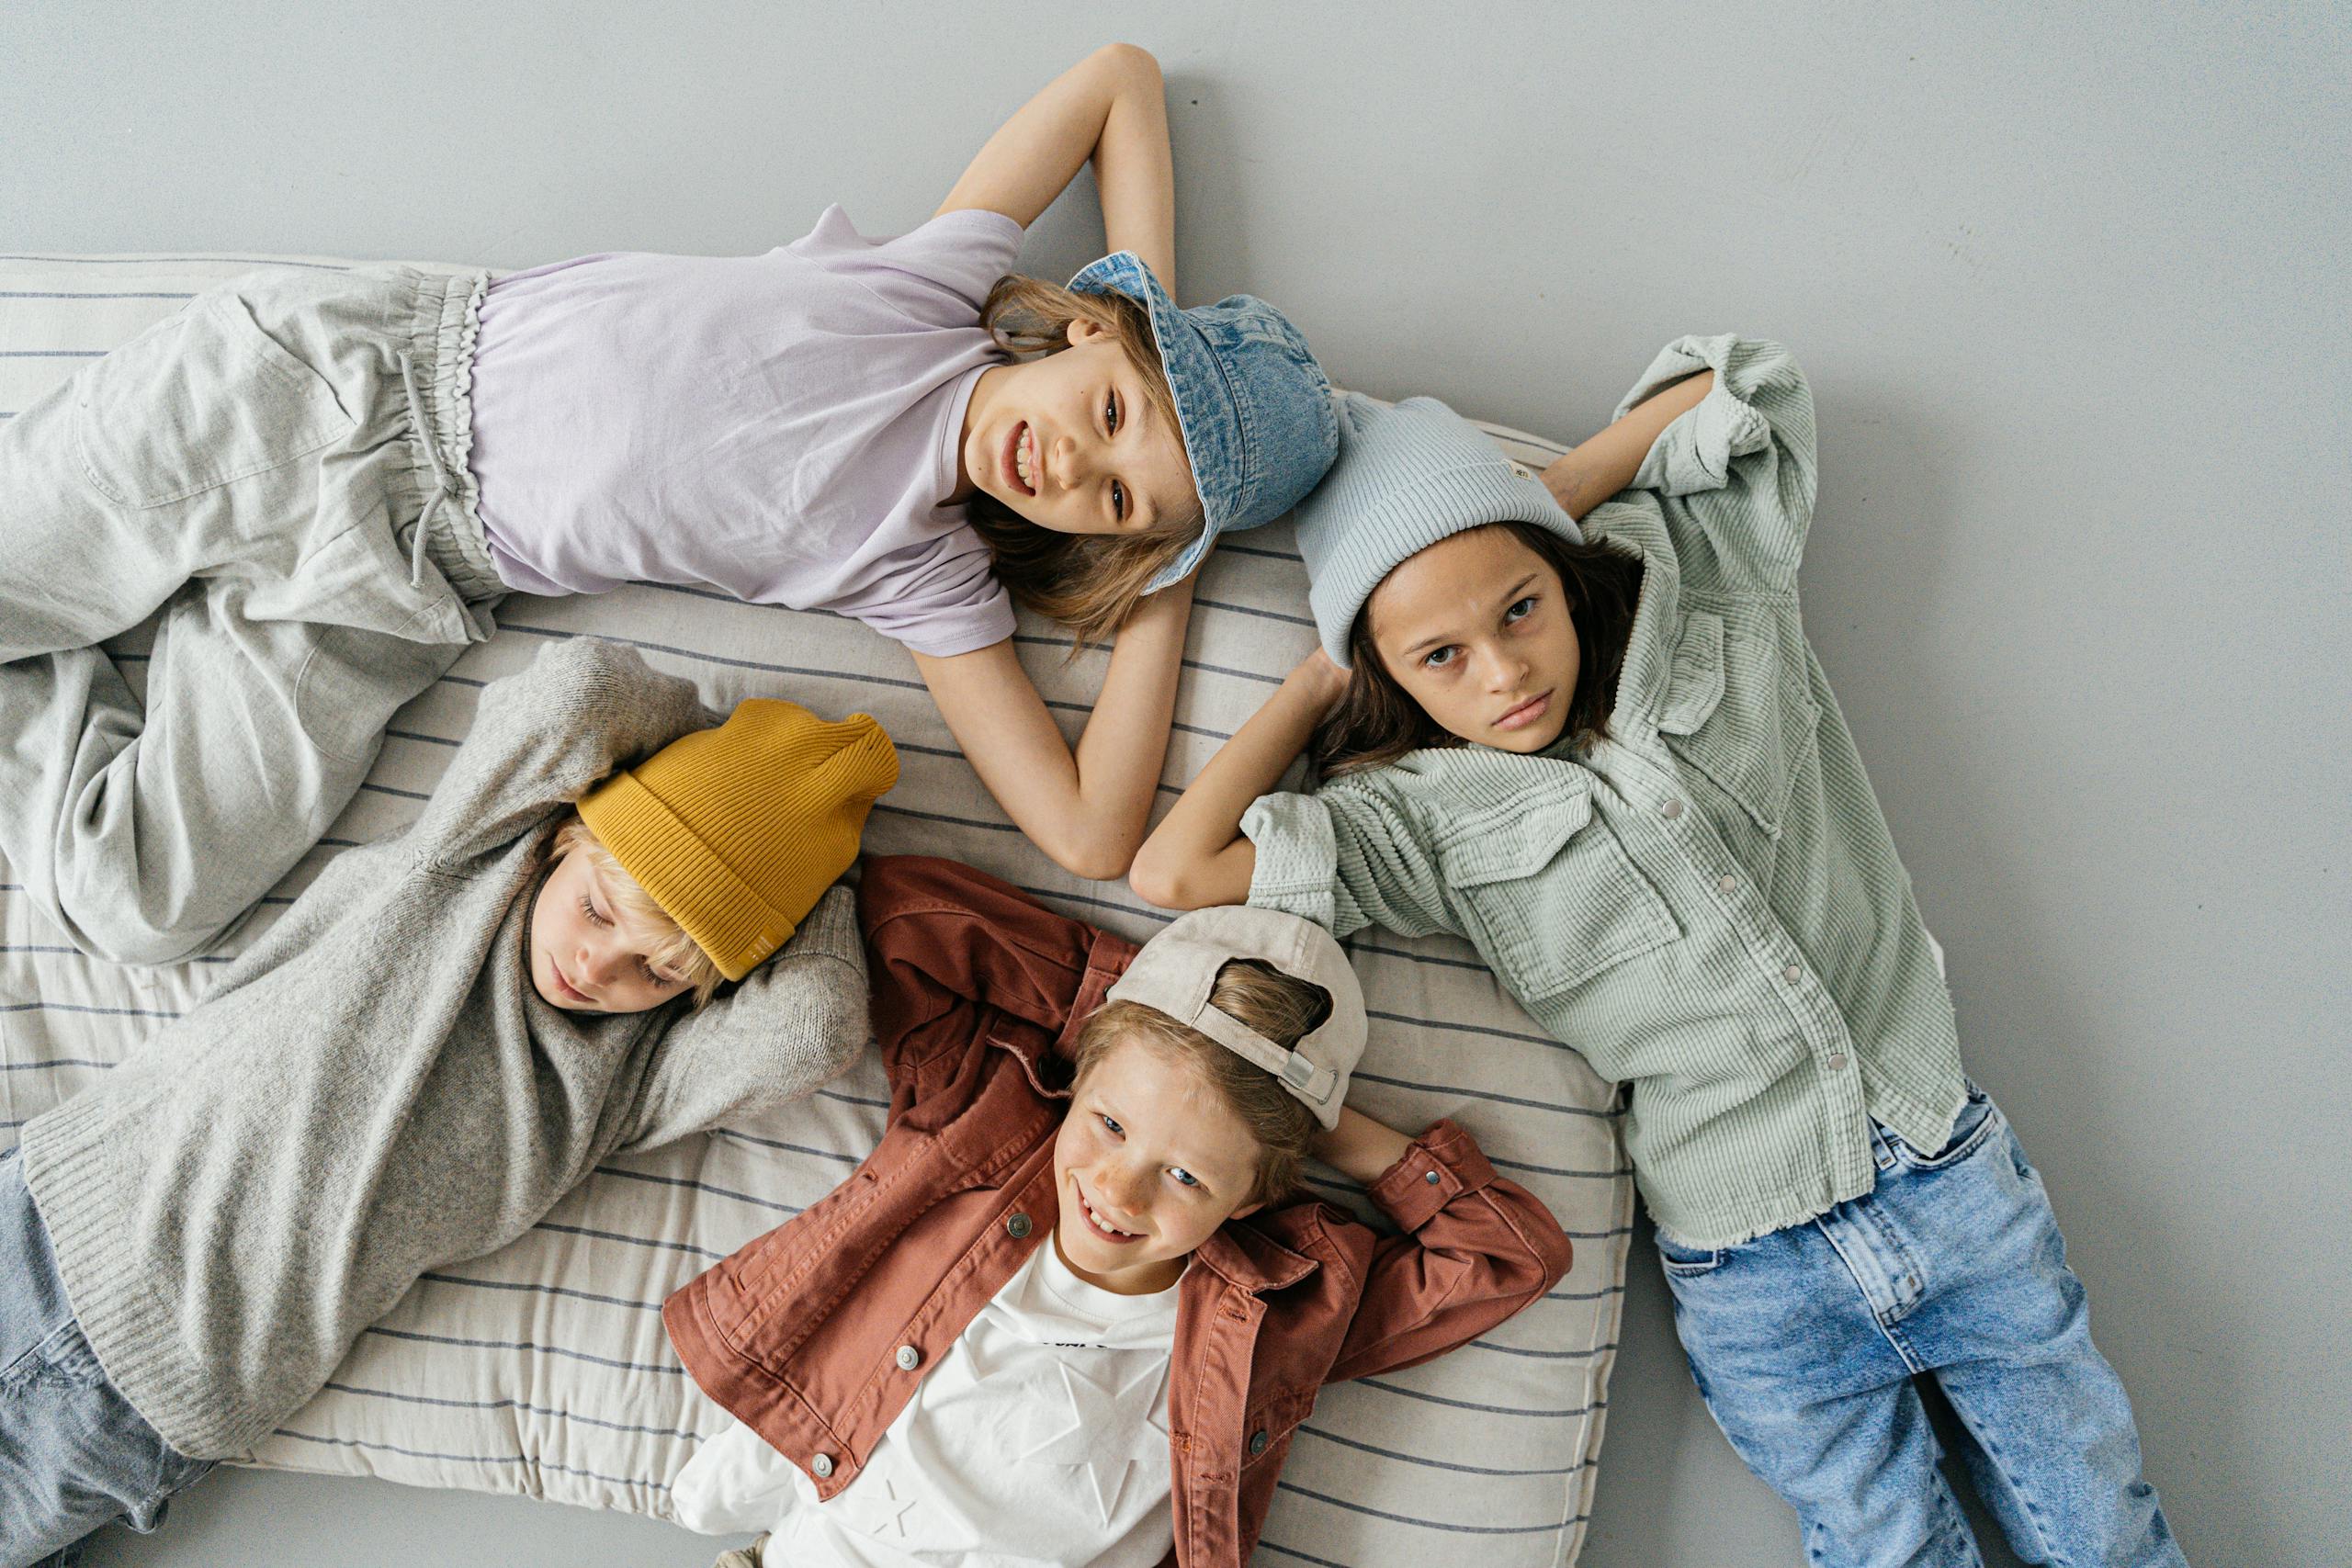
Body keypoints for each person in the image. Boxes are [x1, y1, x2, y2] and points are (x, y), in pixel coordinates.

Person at [1128, 342, 2188, 1566]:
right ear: (1392, 676)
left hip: (1942, 1166)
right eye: (1440, 656)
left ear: (1560, 574)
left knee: (2104, 1522)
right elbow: (1173, 870)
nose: (1505, 670)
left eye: (1519, 608)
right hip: (1749, 1266)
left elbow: (1748, 386)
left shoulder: (1707, 592)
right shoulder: (1417, 821)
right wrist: (1323, 676)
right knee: (1887, 1545)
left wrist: (1534, 505)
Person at [0, 42, 1335, 966]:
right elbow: (1120, 81)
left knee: (138, 901)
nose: (1075, 467)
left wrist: (1176, 556)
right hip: (343, 393)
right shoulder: (933, 286)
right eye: (1113, 414)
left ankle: (107, 621)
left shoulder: (924, 571)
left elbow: (1090, 831)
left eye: (1116, 500)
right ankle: (87, 594)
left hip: (398, 585)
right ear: (1090, 330)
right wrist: (1159, 350)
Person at [0, 636, 892, 1568]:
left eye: (656, 971)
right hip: (61, 1201)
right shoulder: (464, 870)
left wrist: (804, 875)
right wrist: (693, 785)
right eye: (596, 910)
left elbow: (813, 1028)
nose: (598, 965)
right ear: (569, 835)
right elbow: (583, 688)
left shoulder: (624, 1088)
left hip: (149, 1385)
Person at [661, 854, 1572, 1568]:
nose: (1119, 1192)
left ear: (1254, 1195)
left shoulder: (1287, 1304)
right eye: (1109, 1124)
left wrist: (1306, 1125)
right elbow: (908, 919)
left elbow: (1506, 1255)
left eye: (1186, 1176)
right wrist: (1141, 1012)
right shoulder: (977, 1120)